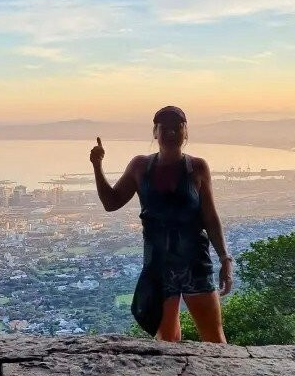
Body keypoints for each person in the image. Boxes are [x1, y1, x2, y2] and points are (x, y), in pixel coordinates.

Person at [90, 105, 233, 342]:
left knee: (214, 339)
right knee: (167, 340)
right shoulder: (140, 166)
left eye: (177, 128)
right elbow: (111, 202)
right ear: (155, 132)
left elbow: (210, 217)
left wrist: (225, 258)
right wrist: (97, 166)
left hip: (195, 262)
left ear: (185, 132)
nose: (170, 133)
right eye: (164, 128)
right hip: (158, 266)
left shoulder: (197, 167)